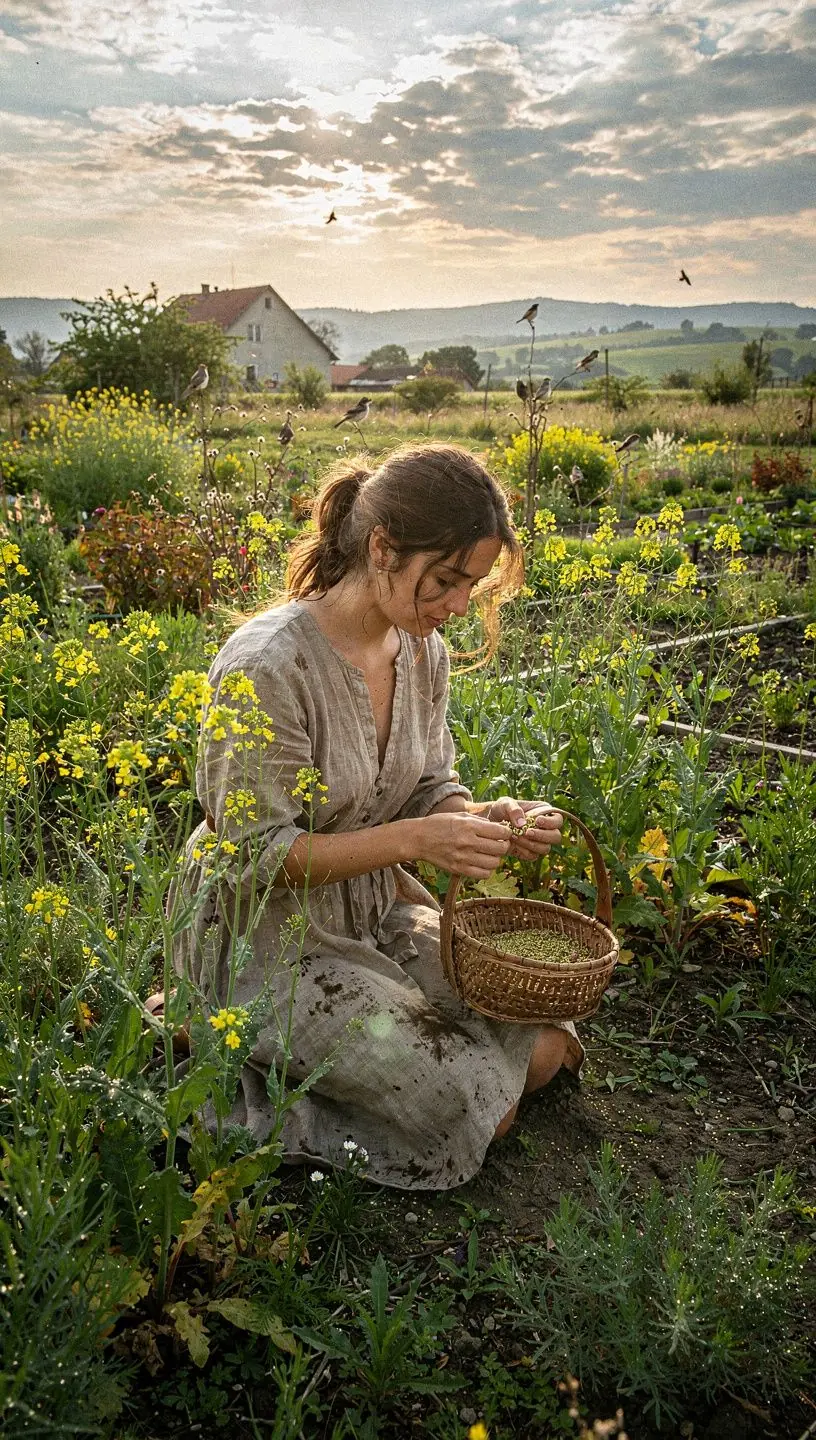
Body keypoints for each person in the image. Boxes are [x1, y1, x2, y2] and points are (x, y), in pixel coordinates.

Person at [172, 443, 583, 1190]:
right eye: (448, 580)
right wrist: (417, 840)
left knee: (546, 1039)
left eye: (472, 585)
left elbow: (429, 784)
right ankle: (217, 1081)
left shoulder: (423, 653)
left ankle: (380, 1063)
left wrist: (485, 818)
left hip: (372, 912)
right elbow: (255, 856)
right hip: (267, 943)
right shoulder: (267, 665)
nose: (459, 606)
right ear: (383, 549)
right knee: (464, 1101)